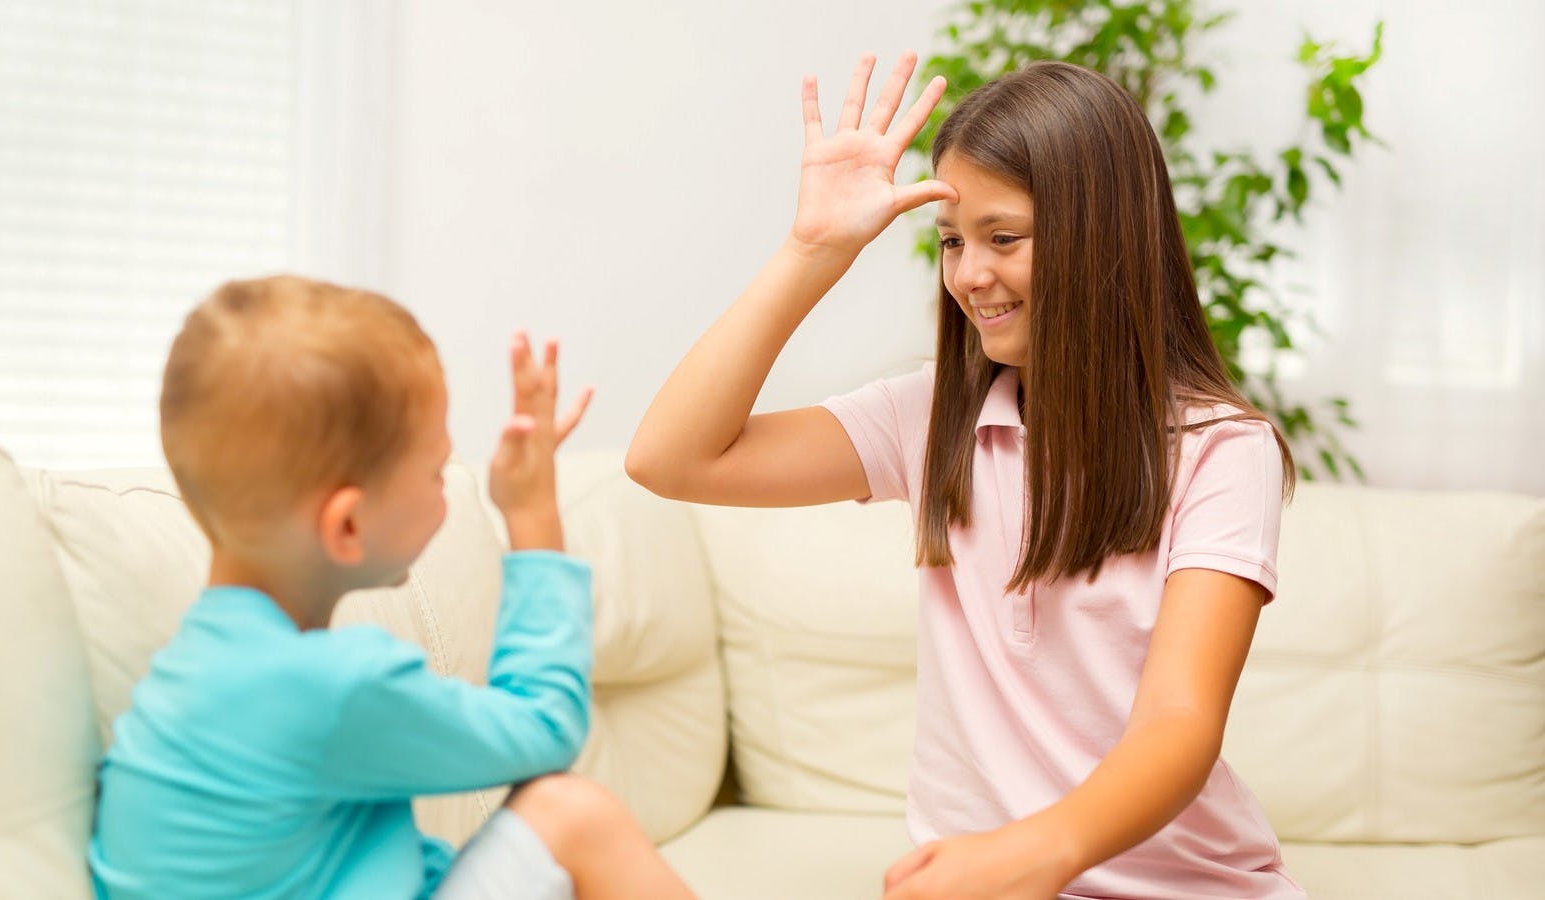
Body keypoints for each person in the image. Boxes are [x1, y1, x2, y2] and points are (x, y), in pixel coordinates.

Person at [625, 52, 1304, 900]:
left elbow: (1179, 721)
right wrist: (812, 249)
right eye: (951, 241)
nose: (969, 275)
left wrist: (1035, 853)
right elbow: (670, 457)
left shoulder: (1219, 450)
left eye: (1003, 238)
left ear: (1103, 235)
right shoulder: (937, 415)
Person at [89, 275, 695, 900]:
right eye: (434, 470)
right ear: (348, 525)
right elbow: (547, 727)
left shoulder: (186, 677)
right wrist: (533, 513)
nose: (447, 486)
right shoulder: (333, 687)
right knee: (572, 813)